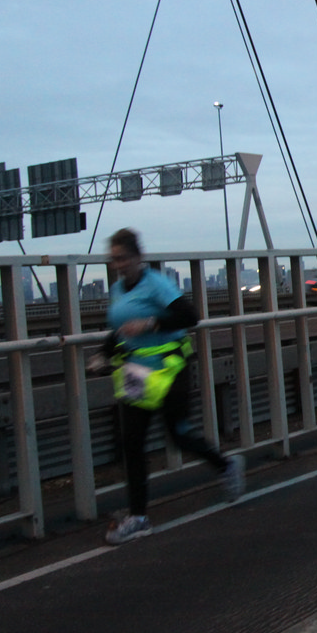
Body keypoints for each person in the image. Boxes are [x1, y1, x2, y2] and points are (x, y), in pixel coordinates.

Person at [93, 228, 245, 544]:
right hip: (137, 373)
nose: (119, 265)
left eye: (123, 258)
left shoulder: (156, 284)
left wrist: (150, 323)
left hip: (169, 369)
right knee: (131, 442)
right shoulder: (118, 289)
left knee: (179, 436)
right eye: (114, 260)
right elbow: (120, 330)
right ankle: (138, 517)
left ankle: (226, 466)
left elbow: (190, 315)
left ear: (138, 257)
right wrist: (103, 354)